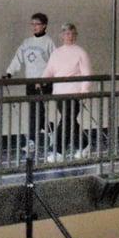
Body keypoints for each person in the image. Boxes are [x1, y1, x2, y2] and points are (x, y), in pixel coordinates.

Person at [4, 13, 55, 150]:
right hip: (31, 81)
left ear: (44, 25)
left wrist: (45, 79)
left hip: (44, 82)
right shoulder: (26, 43)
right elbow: (18, 58)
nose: (34, 27)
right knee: (35, 110)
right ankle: (48, 131)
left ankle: (34, 139)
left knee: (37, 110)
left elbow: (54, 63)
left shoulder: (49, 42)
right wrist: (9, 73)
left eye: (37, 24)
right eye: (32, 24)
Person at [41, 23, 92, 162]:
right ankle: (84, 145)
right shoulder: (56, 53)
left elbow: (87, 73)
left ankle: (57, 150)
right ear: (62, 36)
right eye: (67, 34)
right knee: (69, 121)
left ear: (76, 36)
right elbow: (49, 70)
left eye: (73, 34)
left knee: (66, 120)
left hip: (74, 92)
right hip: (59, 93)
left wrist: (84, 91)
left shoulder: (81, 52)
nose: (70, 36)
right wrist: (41, 81)